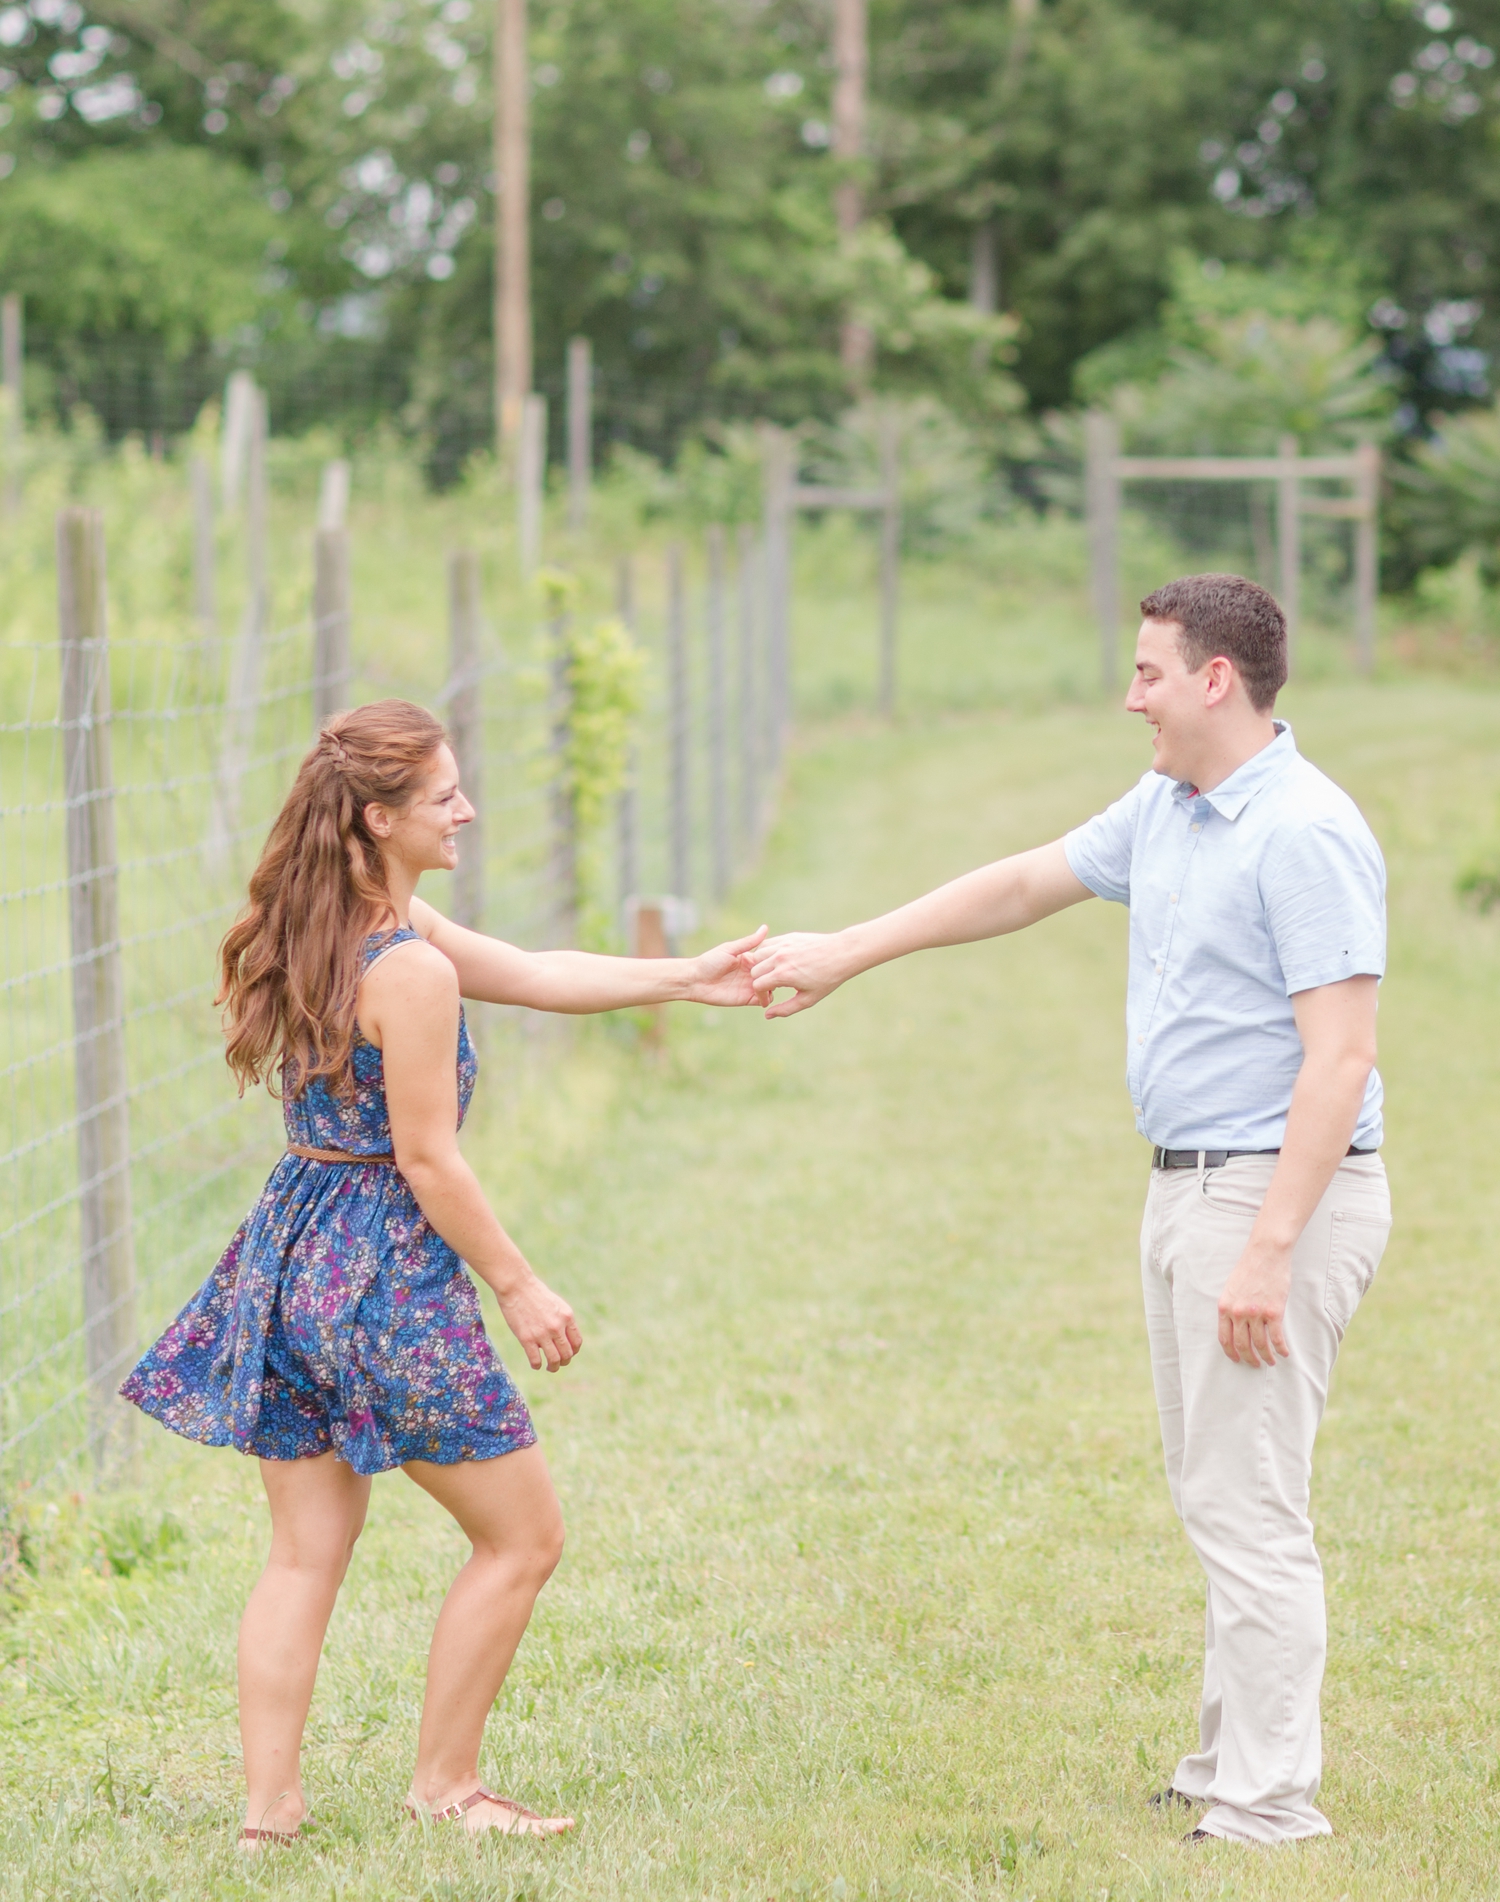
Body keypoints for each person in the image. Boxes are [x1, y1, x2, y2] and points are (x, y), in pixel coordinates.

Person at [747, 574, 1390, 1847]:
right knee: (1217, 1488)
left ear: (1217, 679)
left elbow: (1342, 1059)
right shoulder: (1171, 807)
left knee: (1248, 1502)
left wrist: (1267, 1250)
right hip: (1193, 1186)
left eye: (1149, 672)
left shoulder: (1303, 831)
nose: (1130, 695)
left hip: (1270, 1196)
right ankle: (1225, 1767)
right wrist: (843, 953)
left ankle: (1270, 1803)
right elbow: (1022, 885)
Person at [122, 699, 764, 1850]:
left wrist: (689, 978)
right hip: (381, 1272)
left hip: (293, 1250)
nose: (466, 808)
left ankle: (268, 1820)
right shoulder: (408, 968)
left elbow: (531, 969)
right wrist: (518, 1283)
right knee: (524, 1536)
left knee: (303, 1551)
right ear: (378, 816)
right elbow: (426, 1158)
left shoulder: (334, 923)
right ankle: (447, 1787)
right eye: (443, 796)